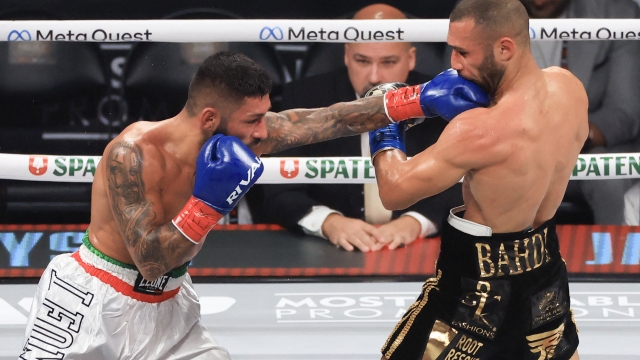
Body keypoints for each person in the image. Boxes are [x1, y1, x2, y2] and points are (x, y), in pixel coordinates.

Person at [20, 51, 488, 359]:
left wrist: (410, 102)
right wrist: (206, 203)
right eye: (253, 120)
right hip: (96, 299)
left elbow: (326, 121)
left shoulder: (243, 134)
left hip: (168, 306)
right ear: (209, 118)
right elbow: (150, 257)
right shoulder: (133, 154)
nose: (264, 132)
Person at [369, 0, 586, 359]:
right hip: (544, 273)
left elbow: (394, 191)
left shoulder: (479, 130)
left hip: (480, 287)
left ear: (505, 48)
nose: (453, 63)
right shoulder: (570, 88)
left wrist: (386, 119)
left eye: (462, 52)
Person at [262, 3, 462, 252]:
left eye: (388, 62)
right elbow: (276, 188)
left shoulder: (440, 100)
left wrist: (416, 222)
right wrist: (328, 222)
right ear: (347, 55)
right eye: (362, 61)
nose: (375, 76)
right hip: (326, 252)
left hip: (419, 251)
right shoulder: (304, 98)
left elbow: (466, 182)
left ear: (411, 58)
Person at [521, 0, 640, 225]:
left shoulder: (617, 13)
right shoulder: (482, 10)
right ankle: (498, 258)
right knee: (487, 166)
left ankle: (612, 257)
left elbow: (625, 111)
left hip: (587, 148)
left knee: (608, 174)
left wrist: (573, 132)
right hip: (510, 147)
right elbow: (464, 101)